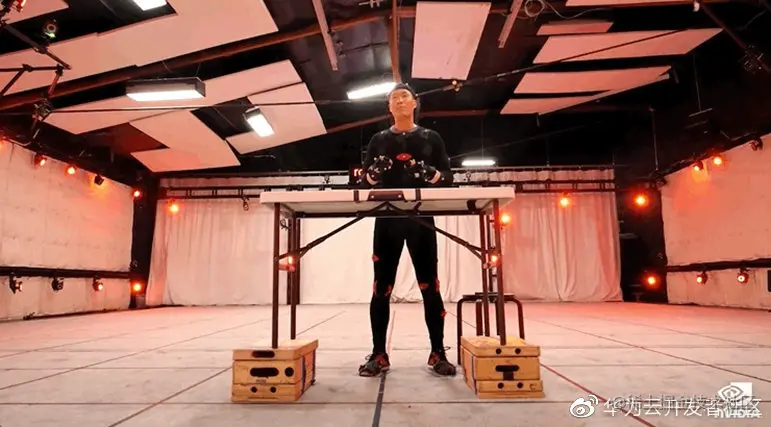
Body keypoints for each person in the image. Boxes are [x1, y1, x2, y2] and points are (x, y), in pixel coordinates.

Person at [357, 83, 457, 377]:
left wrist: (430, 174)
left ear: (415, 103)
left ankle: (438, 352)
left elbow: (448, 177)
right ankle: (379, 353)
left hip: (420, 218)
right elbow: (362, 182)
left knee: (430, 286)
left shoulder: (431, 138)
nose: (399, 101)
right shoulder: (378, 140)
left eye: (404, 96)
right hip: (387, 218)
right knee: (381, 288)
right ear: (389, 107)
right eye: (394, 98)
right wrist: (373, 174)